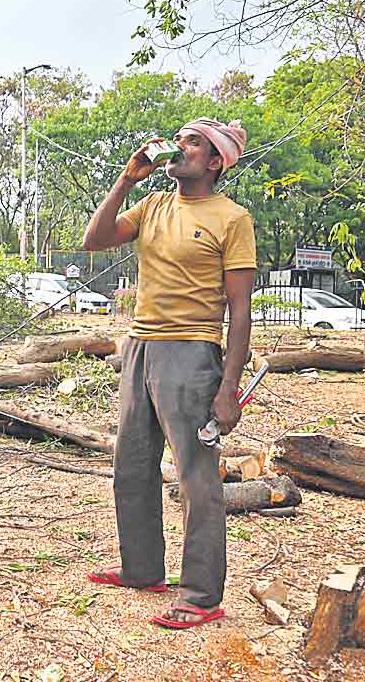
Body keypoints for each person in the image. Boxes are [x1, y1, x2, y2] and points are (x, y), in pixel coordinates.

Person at [81, 118, 255, 630]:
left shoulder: (232, 218)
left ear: (216, 161)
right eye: (179, 140)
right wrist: (127, 178)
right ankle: (142, 569)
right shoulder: (153, 204)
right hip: (139, 346)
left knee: (196, 477)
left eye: (193, 143)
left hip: (192, 352)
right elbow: (95, 239)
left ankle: (201, 595)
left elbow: (240, 311)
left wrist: (229, 387)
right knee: (132, 465)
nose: (180, 148)